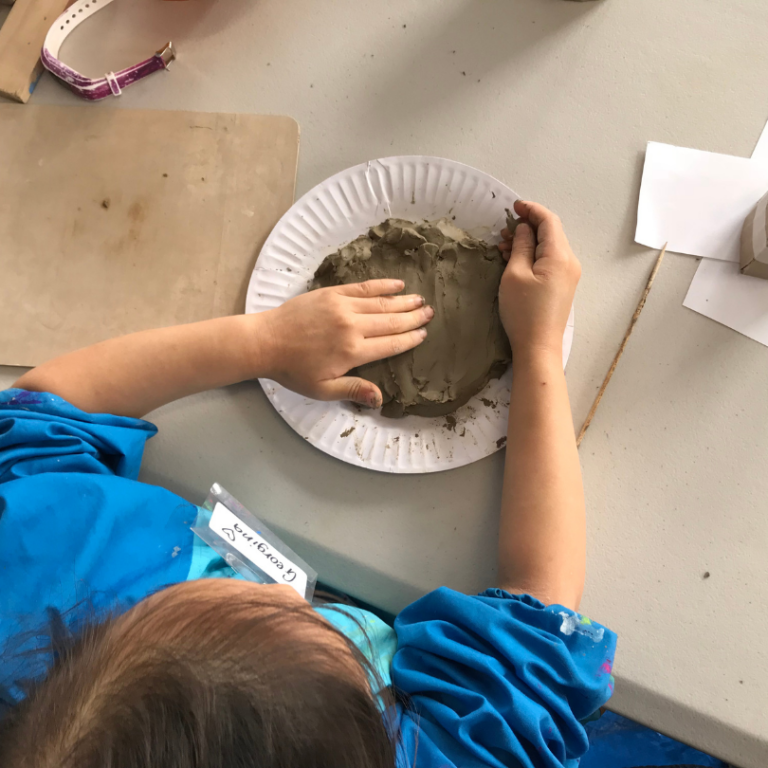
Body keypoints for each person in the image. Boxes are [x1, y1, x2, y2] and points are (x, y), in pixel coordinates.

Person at [0, 200, 615, 768]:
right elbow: (542, 602)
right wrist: (539, 346)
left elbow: (46, 406)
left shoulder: (38, 561)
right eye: (315, 627)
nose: (289, 596)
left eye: (225, 596)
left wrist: (263, 341)